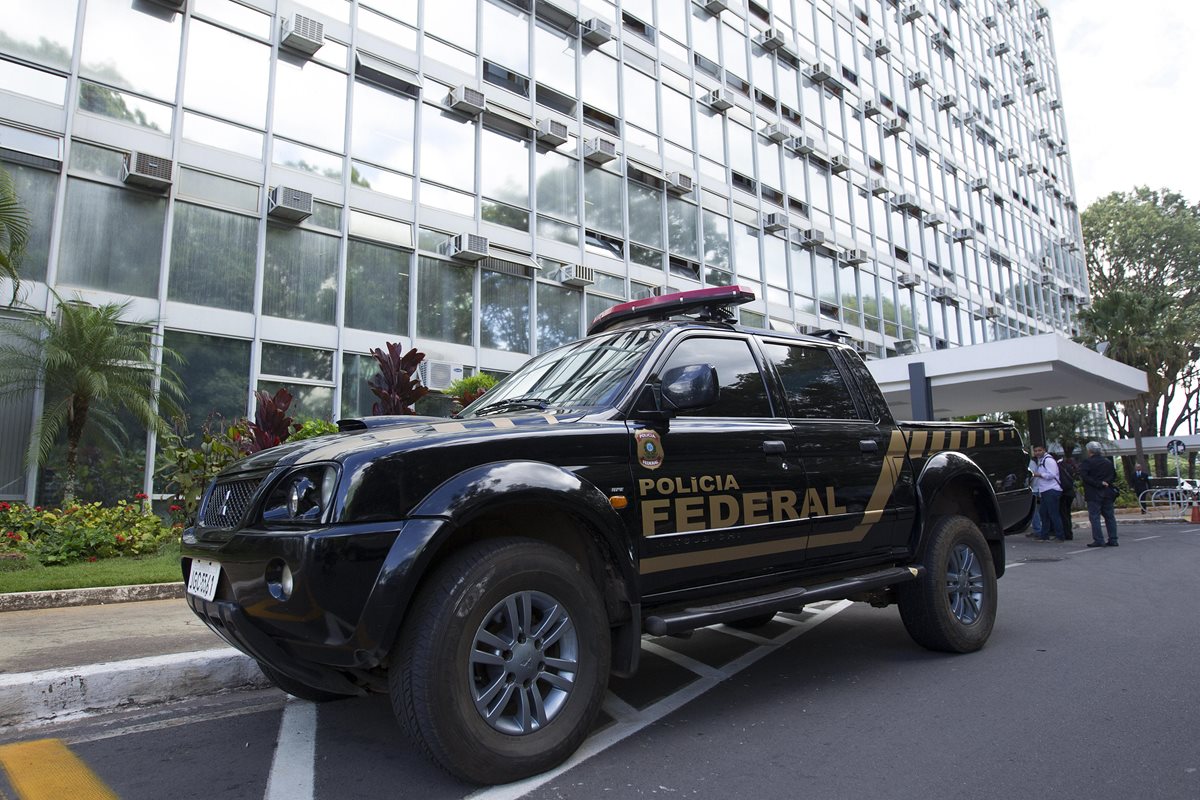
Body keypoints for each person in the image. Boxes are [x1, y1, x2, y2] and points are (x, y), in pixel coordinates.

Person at [1079, 441, 1119, 547]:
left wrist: (1098, 483)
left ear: (1089, 451)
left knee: (1095, 517)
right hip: (1107, 492)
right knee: (1110, 517)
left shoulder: (1087, 463)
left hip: (1093, 493)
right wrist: (1106, 482)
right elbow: (1114, 475)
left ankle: (1099, 539)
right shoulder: (1107, 462)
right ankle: (1113, 539)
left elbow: (1085, 477)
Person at [1030, 444, 1066, 541]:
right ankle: (1044, 535)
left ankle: (1060, 535)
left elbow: (1052, 475)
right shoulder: (1041, 461)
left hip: (1051, 489)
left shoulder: (1048, 460)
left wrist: (1039, 474)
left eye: (1039, 450)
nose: (1037, 453)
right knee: (1043, 513)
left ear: (1044, 450)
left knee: (1053, 513)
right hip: (1044, 490)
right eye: (1036, 451)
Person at [1057, 453, 1078, 539]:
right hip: (1070, 492)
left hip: (1063, 492)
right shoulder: (1068, 467)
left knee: (1063, 513)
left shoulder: (1058, 467)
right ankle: (1069, 532)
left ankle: (1065, 533)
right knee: (1067, 513)